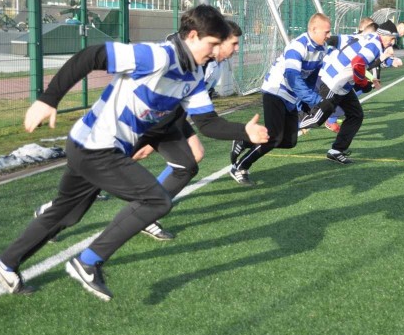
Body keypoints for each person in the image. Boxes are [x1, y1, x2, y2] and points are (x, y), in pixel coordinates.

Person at [0, 5, 269, 301]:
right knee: (156, 200)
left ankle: (5, 264)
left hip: (92, 147)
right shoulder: (158, 56)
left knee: (65, 214)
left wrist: (245, 132)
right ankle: (88, 261)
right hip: (95, 147)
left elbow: (208, 123)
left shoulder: (193, 76)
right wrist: (49, 99)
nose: (216, 51)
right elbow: (91, 55)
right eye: (212, 44)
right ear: (191, 36)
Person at [32, 21, 245, 243]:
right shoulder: (187, 56)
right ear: (217, 42)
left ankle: (146, 212)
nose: (236, 49)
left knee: (189, 160)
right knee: (107, 166)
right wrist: (151, 140)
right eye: (234, 43)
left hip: (171, 117)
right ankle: (55, 215)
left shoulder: (214, 64)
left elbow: (190, 104)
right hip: (150, 118)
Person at [228, 13, 332, 186]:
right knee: (274, 137)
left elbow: (312, 76)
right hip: (275, 90)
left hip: (290, 96)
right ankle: (240, 167)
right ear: (314, 29)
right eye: (326, 32)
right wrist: (315, 100)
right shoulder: (297, 47)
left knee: (289, 141)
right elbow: (292, 77)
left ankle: (244, 140)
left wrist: (306, 102)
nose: (329, 35)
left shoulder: (323, 48)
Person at [298, 20, 399, 164]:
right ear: (383, 35)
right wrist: (363, 84)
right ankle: (278, 131)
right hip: (334, 83)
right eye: (392, 38)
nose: (393, 42)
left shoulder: (366, 37)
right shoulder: (375, 44)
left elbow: (336, 40)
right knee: (316, 120)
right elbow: (358, 63)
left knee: (356, 115)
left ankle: (336, 151)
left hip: (342, 84)